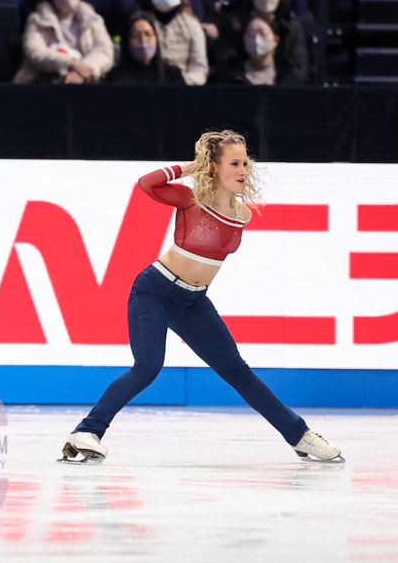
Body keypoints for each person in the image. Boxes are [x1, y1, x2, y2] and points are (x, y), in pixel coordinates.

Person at [60, 130, 343, 464]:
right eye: (234, 163)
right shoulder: (191, 200)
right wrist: (192, 167)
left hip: (193, 302)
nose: (243, 170)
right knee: (148, 367)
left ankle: (300, 435)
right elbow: (147, 184)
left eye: (245, 163)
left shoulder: (243, 214)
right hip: (155, 290)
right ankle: (87, 431)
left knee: (238, 371)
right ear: (214, 166)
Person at [13, 0, 113, 84]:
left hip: (85, 81)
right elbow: (35, 52)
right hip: (43, 82)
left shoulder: (94, 19)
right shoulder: (36, 19)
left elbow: (104, 51)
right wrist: (70, 64)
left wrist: (81, 71)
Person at [215, 0, 307, 84]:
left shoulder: (292, 29)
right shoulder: (232, 25)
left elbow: (299, 68)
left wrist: (280, 89)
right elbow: (226, 63)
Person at [140, 0, 208, 85]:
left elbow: (199, 68)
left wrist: (183, 81)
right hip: (147, 86)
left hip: (183, 87)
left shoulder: (191, 24)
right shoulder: (140, 23)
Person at [217, 14, 303, 85]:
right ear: (244, 40)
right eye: (251, 34)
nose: (256, 39)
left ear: (275, 40)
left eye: (262, 34)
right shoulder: (231, 78)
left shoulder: (290, 77)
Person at [105, 11, 185, 84]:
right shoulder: (114, 78)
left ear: (156, 39)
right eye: (135, 36)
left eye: (148, 34)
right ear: (127, 41)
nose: (143, 40)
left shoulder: (173, 75)